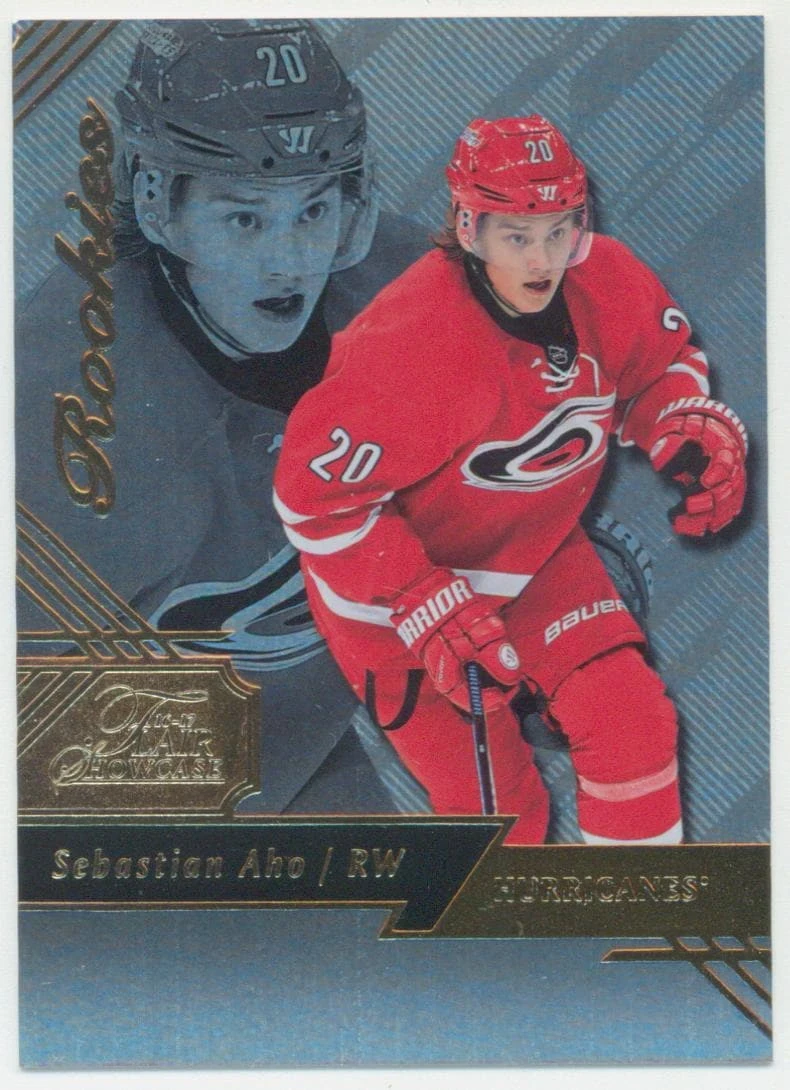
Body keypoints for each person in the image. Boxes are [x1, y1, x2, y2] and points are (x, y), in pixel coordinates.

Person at [273, 115, 748, 844]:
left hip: (533, 554)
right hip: (395, 606)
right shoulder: (410, 346)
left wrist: (681, 424)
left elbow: (657, 366)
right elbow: (312, 502)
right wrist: (419, 598)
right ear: (468, 227)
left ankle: (636, 909)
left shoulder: (606, 276)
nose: (543, 260)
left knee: (630, 724)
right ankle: (509, 918)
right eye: (517, 236)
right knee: (500, 815)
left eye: (561, 231)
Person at [15, 19, 428, 814]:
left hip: (300, 741)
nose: (290, 260)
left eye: (313, 210)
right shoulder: (68, 412)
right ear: (157, 205)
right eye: (245, 217)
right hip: (125, 793)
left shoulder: (404, 289)